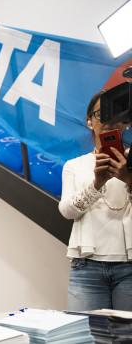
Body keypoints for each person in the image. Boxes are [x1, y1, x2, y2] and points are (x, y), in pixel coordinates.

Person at [59, 90, 132, 311]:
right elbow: (67, 211)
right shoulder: (74, 165)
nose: (110, 120)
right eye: (102, 113)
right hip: (86, 268)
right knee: (85, 336)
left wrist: (128, 178)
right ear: (89, 121)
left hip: (129, 269)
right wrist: (96, 184)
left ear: (126, 122)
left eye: (117, 113)